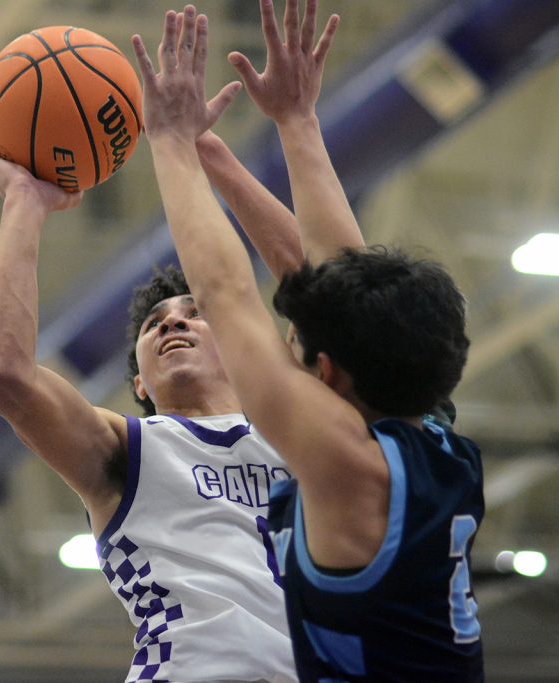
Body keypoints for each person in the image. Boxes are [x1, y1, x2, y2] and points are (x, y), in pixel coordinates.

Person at [133, 2, 485, 680]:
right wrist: (293, 125)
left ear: (327, 373)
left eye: (297, 340)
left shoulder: (346, 464)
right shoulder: (431, 427)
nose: (287, 340)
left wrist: (171, 145)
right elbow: (338, 279)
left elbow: (227, 295)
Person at [0, 59, 310, 683]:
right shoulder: (127, 450)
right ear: (139, 386)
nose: (170, 324)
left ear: (240, 342)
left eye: (193, 313)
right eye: (154, 325)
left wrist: (199, 148)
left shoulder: (311, 432)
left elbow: (326, 289)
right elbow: (3, 374)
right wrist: (24, 201)